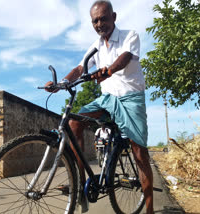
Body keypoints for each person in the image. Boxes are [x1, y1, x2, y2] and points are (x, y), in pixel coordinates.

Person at [45, 1, 153, 213]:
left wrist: (109, 70)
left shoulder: (129, 36)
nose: (99, 23)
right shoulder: (96, 46)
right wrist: (61, 84)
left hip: (130, 97)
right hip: (106, 100)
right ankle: (80, 185)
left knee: (139, 152)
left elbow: (125, 57)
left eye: (103, 18)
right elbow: (80, 67)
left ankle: (149, 209)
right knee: (74, 122)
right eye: (95, 20)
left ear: (114, 16)